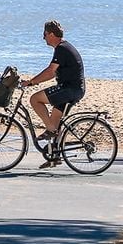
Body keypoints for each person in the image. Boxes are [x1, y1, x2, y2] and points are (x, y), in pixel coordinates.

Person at [21, 20, 86, 169]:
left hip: (70, 89)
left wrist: (31, 82)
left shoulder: (62, 49)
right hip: (73, 89)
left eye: (44, 34)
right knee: (55, 120)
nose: (43, 38)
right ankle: (55, 157)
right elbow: (53, 72)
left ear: (51, 34)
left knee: (35, 99)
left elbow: (50, 72)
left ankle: (50, 130)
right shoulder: (63, 47)